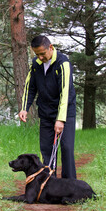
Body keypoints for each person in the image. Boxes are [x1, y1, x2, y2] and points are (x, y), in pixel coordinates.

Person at [19, 35, 77, 179]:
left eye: (42, 54)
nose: (40, 57)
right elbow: (30, 87)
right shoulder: (36, 64)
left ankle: (69, 186)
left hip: (65, 112)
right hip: (45, 113)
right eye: (37, 54)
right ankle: (48, 184)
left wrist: (61, 119)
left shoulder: (63, 63)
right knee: (46, 150)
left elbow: (66, 93)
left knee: (66, 149)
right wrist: (24, 108)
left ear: (50, 48)